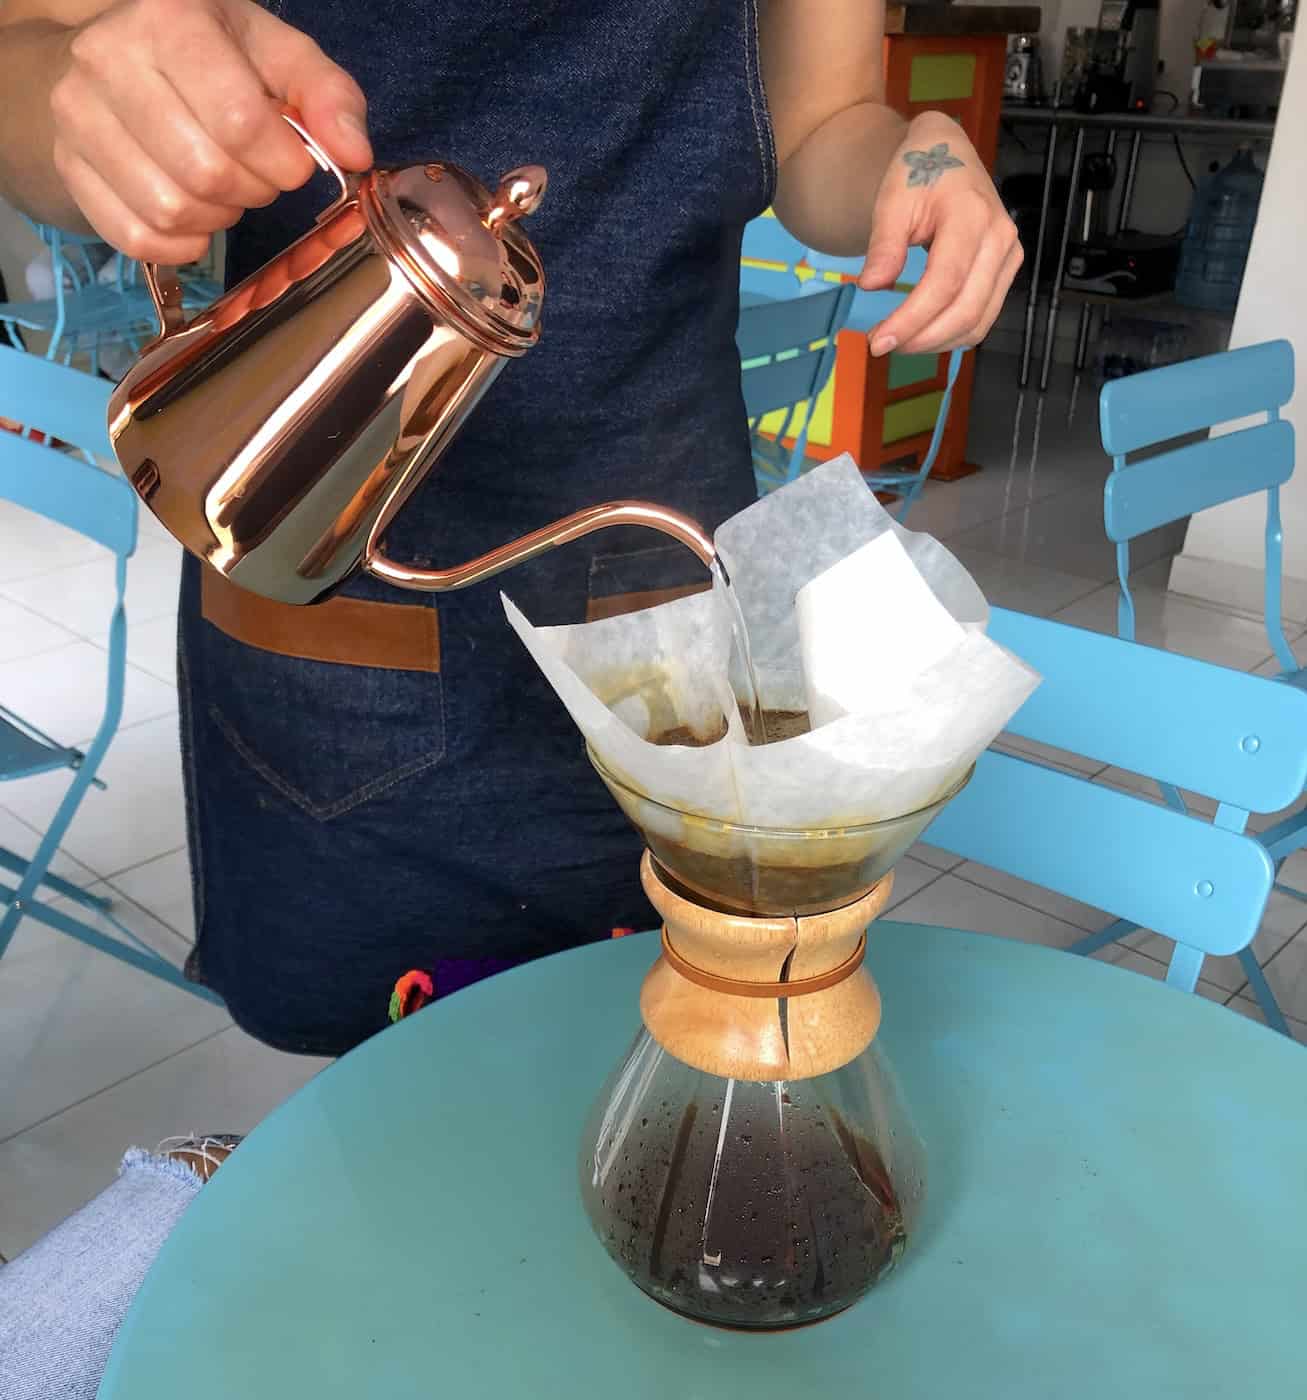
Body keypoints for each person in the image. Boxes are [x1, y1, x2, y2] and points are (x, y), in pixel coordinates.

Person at [0, 0, 1021, 1058]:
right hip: (326, 550)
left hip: (654, 581)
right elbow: (27, 58)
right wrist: (75, 98)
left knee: (666, 1054)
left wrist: (911, 150)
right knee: (387, 1105)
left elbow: (822, 123)